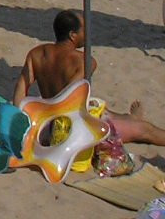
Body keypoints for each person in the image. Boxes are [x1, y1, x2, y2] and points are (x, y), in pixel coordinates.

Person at [12, 10, 165, 148]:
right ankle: (134, 122)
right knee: (146, 130)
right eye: (84, 30)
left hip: (47, 119)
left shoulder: (36, 54)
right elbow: (67, 98)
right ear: (73, 35)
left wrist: (20, 121)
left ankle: (129, 118)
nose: (87, 34)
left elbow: (20, 90)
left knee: (99, 106)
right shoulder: (85, 61)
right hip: (70, 129)